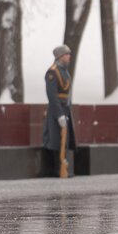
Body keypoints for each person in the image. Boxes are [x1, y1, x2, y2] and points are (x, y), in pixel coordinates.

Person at [42, 45, 76, 178]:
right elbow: (52, 95)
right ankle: (57, 169)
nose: (69, 57)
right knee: (56, 140)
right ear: (60, 57)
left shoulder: (65, 71)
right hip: (57, 110)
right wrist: (59, 114)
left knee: (65, 140)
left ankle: (64, 168)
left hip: (65, 108)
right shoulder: (52, 72)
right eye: (66, 55)